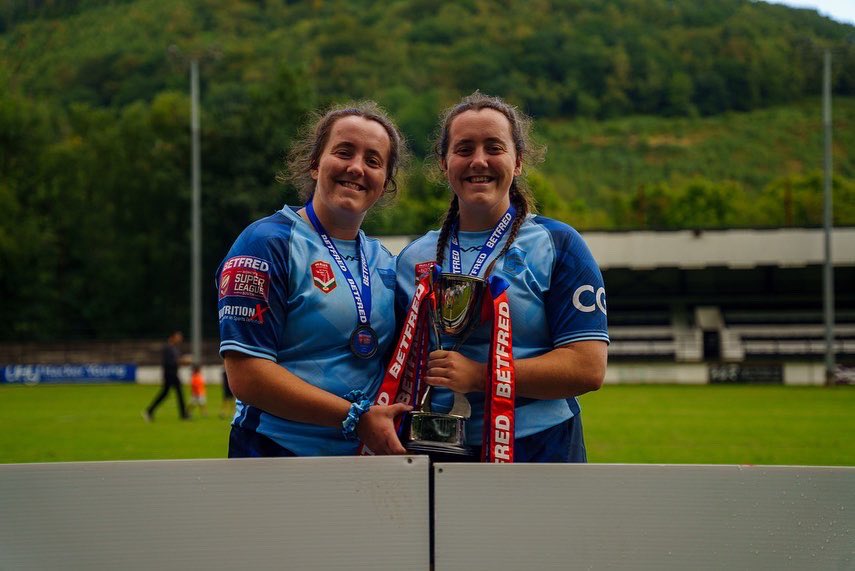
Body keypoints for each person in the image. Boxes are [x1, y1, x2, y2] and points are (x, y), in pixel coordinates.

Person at [395, 92, 609, 462]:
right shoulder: (413, 258)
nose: (479, 160)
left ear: (518, 161)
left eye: (493, 147)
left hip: (540, 444)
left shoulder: (559, 244)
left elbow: (587, 367)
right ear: (444, 163)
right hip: (433, 446)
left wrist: (481, 376)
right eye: (464, 149)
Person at [217, 101, 412, 457]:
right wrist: (355, 417)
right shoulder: (266, 243)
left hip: (361, 460)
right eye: (344, 152)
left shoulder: (385, 262)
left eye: (373, 160)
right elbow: (247, 376)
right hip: (273, 452)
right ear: (314, 163)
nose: (356, 167)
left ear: (385, 184)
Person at [143, 330, 189, 421]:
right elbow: (169, 363)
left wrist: (181, 362)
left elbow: (175, 362)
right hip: (169, 374)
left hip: (173, 374)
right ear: (172, 337)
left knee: (168, 393)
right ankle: (183, 415)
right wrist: (181, 361)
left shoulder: (174, 348)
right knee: (174, 393)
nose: (180, 339)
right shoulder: (168, 348)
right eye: (178, 337)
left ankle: (150, 411)